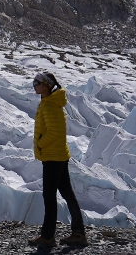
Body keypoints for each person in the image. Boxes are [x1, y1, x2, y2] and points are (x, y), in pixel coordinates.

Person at [28, 71, 87, 247]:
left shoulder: (49, 105)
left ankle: (47, 237)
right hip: (59, 155)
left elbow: (54, 132)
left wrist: (40, 144)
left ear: (46, 85)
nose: (34, 85)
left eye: (37, 82)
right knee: (67, 193)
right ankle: (78, 233)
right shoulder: (52, 102)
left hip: (53, 157)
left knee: (49, 196)